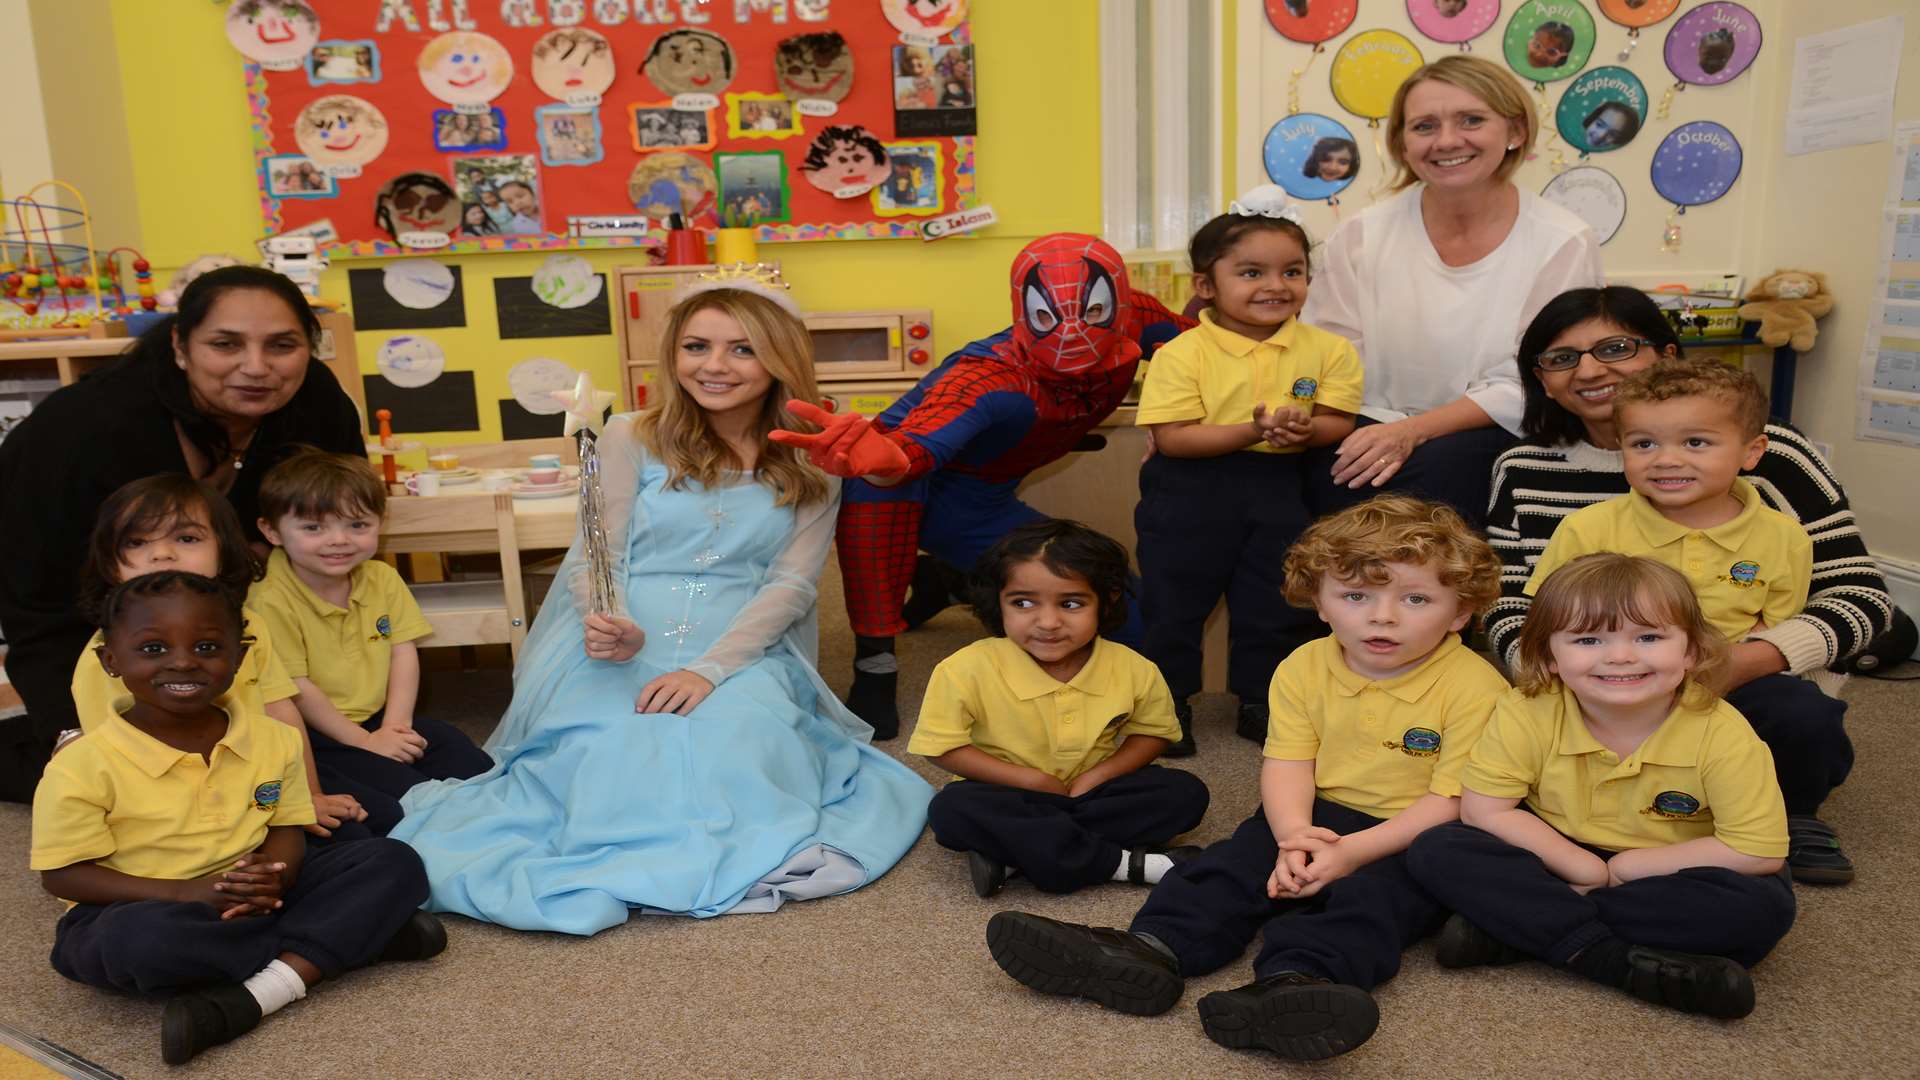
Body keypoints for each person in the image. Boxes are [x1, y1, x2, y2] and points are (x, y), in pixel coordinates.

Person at [387, 275, 934, 934]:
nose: (714, 366)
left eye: (742, 350)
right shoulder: (629, 435)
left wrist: (710, 669)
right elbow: (598, 554)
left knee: (735, 741)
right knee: (611, 746)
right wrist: (609, 618)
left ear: (779, 359)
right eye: (697, 346)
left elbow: (791, 585)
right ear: (673, 355)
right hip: (626, 631)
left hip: (740, 639)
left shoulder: (814, 457)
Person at [985, 496, 1509, 1061]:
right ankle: (1148, 948)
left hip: (1414, 832)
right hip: (1312, 811)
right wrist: (1292, 836)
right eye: (1356, 596)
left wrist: (1352, 854)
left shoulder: (1477, 688)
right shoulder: (1303, 665)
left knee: (1372, 904)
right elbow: (1288, 763)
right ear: (1322, 603)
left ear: (1460, 612)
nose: (1383, 617)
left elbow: (1453, 800)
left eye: (1415, 599)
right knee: (1228, 868)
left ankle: (1294, 984)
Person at [770, 234, 1193, 739]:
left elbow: (1209, 352)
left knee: (1116, 599)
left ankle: (953, 579)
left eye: (1092, 310)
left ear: (1117, 302)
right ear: (1023, 311)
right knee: (877, 496)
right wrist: (881, 457)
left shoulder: (1143, 319)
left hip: (976, 496)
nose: (1072, 332)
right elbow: (915, 451)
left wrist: (1178, 418)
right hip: (899, 477)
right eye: (1050, 317)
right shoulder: (991, 380)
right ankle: (875, 663)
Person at [30, 571, 445, 1065]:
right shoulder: (81, 765)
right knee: (132, 944)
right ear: (111, 660)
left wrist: (277, 877)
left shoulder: (275, 739)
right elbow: (63, 873)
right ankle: (343, 941)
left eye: (207, 646)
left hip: (263, 891)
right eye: (153, 649)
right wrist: (188, 892)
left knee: (394, 861)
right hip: (153, 901)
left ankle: (259, 993)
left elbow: (285, 828)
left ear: (241, 655)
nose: (183, 661)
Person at [0, 266, 364, 803]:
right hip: (88, 625)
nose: (257, 368)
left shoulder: (317, 402)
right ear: (179, 344)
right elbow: (35, 603)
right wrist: (67, 734)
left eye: (283, 345)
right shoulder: (83, 431)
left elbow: (337, 524)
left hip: (233, 632)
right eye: (225, 344)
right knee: (121, 783)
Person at [1511, 356, 1857, 882]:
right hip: (1612, 680)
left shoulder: (1782, 535)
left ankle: (1793, 813)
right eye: (1643, 444)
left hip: (1718, 683)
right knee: (1528, 717)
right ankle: (1576, 817)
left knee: (1803, 712)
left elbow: (1777, 625)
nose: (1666, 460)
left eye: (1695, 443)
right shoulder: (1588, 528)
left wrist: (1718, 668)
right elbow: (1548, 618)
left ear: (1751, 452)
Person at [1407, 554, 1796, 1019]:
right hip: (1554, 849)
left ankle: (1519, 930)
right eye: (1589, 639)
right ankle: (1607, 960)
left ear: (1691, 651)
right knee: (1437, 848)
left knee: (1760, 910)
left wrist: (1631, 865)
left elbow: (1757, 850)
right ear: (1548, 656)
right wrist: (1584, 868)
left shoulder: (1724, 735)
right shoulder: (1525, 710)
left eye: (1649, 637)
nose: (1620, 656)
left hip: (1676, 865)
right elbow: (1485, 810)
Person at [1301, 55, 1603, 526]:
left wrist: (1413, 431)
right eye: (1424, 126)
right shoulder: (1361, 235)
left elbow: (1542, 374)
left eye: (1471, 120)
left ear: (1516, 132)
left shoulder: (1561, 240)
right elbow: (1325, 356)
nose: (1446, 141)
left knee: (1435, 483)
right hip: (1369, 426)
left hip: (1497, 432)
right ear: (1401, 144)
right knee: (1326, 479)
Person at [1135, 196, 1361, 751]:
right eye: (1251, 272)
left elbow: (1339, 419)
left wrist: (1304, 432)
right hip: (1188, 488)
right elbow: (1174, 437)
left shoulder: (1329, 349)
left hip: (1277, 485)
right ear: (1206, 285)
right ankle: (1168, 706)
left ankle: (1263, 702)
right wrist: (1254, 430)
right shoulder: (1181, 353)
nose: (1275, 285)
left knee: (1275, 599)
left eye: (1292, 271)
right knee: (1174, 601)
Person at [68, 474, 391, 841]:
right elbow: (111, 762)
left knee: (381, 819)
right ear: (112, 565)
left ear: (224, 551)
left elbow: (280, 711)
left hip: (262, 779)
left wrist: (308, 795)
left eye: (186, 538)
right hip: (173, 814)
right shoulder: (106, 655)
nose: (161, 553)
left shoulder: (249, 624)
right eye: (137, 542)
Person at [912, 520, 1208, 897]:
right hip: (1006, 790)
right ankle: (1125, 865)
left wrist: (1101, 774)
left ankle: (1019, 854)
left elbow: (1153, 734)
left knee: (1183, 793)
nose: (1048, 623)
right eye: (1023, 603)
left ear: (1109, 599)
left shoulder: (1134, 667)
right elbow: (942, 747)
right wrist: (1030, 780)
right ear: (996, 600)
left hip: (1092, 789)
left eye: (1071, 604)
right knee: (951, 809)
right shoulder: (963, 669)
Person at [247, 450, 491, 803]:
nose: (339, 540)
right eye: (313, 527)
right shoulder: (269, 599)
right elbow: (296, 689)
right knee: (403, 794)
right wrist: (365, 742)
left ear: (381, 521)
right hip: (317, 733)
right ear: (271, 532)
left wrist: (395, 727)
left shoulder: (382, 577)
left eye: (357, 525)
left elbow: (402, 652)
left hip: (378, 717)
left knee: (467, 759)